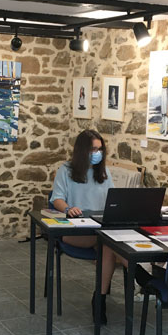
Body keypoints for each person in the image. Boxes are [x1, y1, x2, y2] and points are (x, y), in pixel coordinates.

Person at [50, 129, 125, 324]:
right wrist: (68, 209)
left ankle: (99, 299)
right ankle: (142, 275)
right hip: (75, 229)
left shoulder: (103, 172)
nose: (97, 153)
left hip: (100, 228)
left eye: (100, 149)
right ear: (82, 150)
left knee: (108, 245)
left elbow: (113, 198)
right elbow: (57, 199)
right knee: (110, 244)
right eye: (93, 149)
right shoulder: (66, 170)